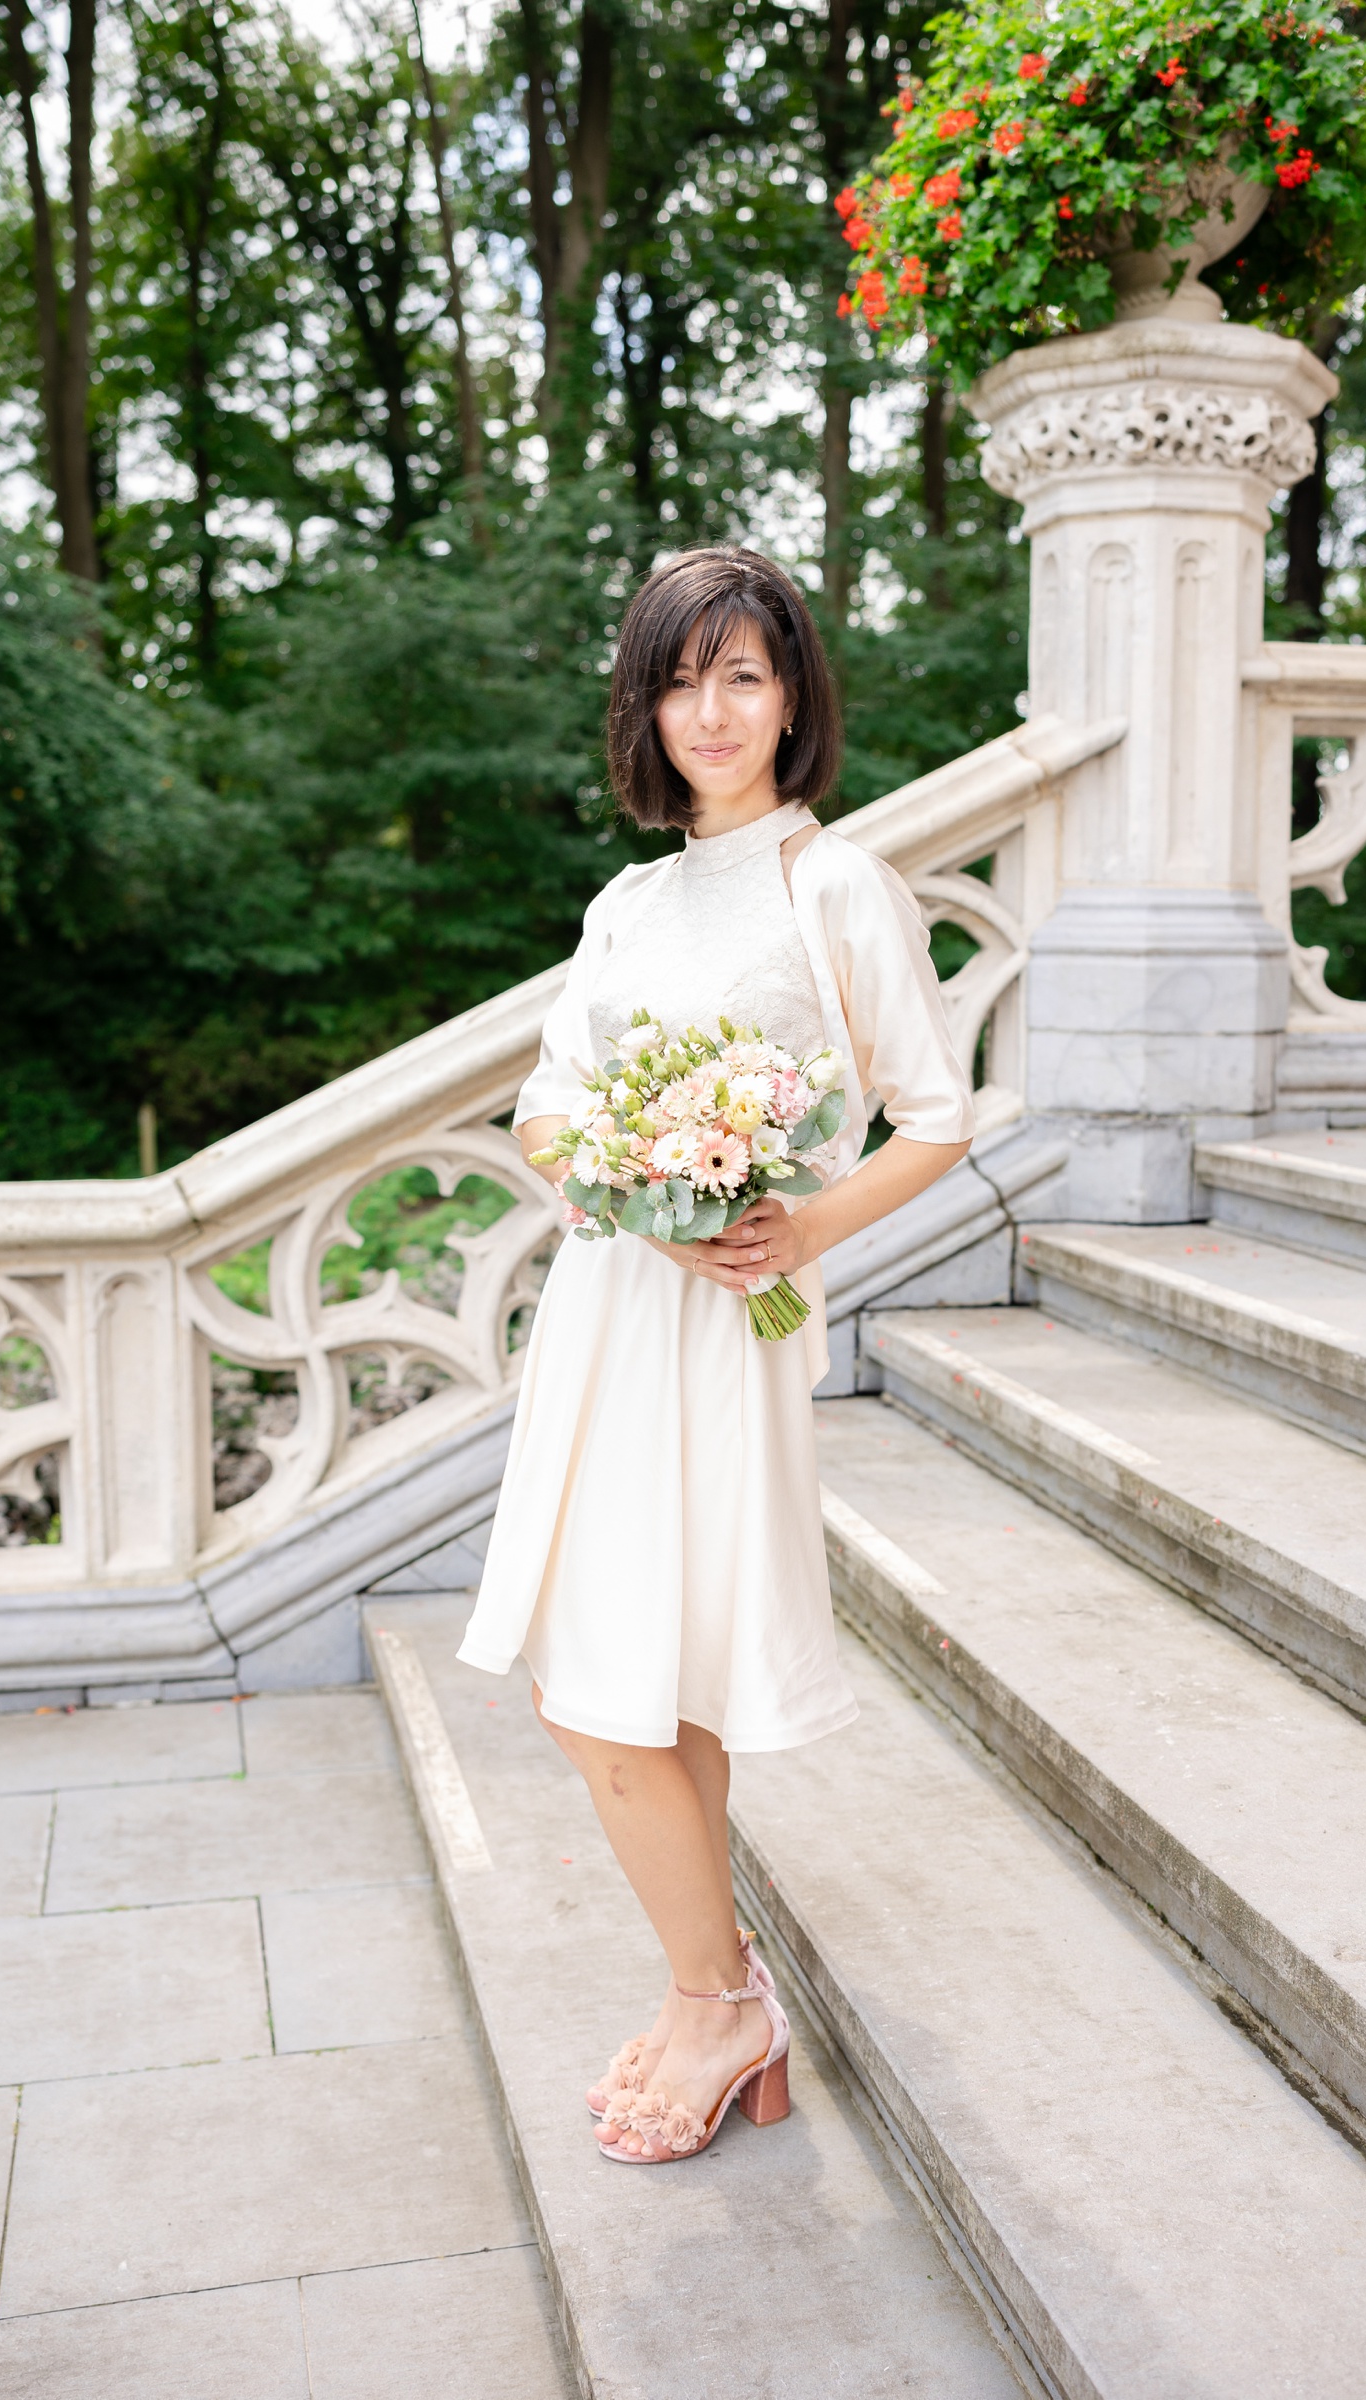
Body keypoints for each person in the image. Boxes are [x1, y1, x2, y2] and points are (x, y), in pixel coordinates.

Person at [457, 546, 975, 2164]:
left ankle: (716, 2002)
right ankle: (714, 1993)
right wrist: (626, 1167)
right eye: (683, 678)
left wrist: (805, 1227)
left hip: (729, 1323)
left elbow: (936, 1115)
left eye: (745, 673)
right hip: (612, 1306)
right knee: (635, 1679)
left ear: (795, 693)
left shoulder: (838, 886)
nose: (713, 709)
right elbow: (545, 1100)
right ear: (647, 702)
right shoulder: (627, 902)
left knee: (592, 1697)